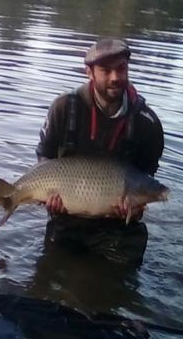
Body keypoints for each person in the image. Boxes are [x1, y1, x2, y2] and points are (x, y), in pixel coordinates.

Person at [36, 38, 164, 266]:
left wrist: (135, 211)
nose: (115, 77)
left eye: (121, 68)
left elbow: (145, 181)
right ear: (89, 73)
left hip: (119, 230)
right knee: (52, 274)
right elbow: (44, 157)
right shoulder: (64, 107)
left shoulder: (148, 124)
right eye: (106, 70)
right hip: (66, 219)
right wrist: (46, 194)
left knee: (116, 283)